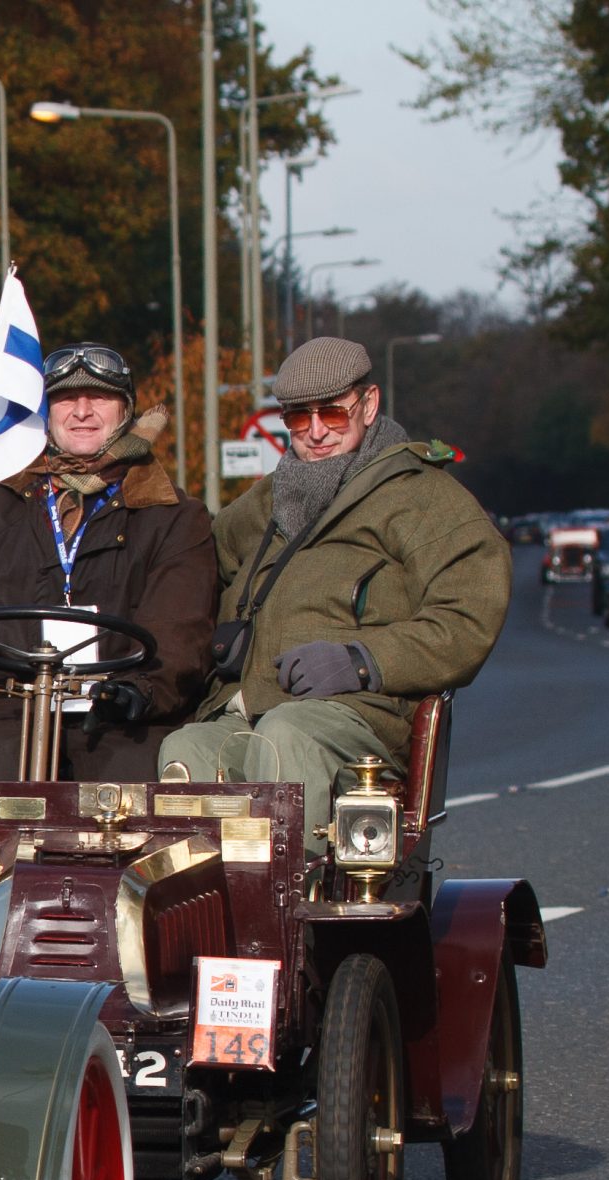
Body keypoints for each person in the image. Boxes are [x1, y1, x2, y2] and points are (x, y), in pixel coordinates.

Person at [158, 337, 511, 836]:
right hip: (250, 708)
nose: (317, 432)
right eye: (299, 419)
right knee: (187, 749)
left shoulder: (421, 497)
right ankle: (204, 909)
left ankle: (285, 905)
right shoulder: (262, 505)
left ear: (369, 405)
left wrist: (363, 659)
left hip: (362, 715)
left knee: (286, 738)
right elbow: (190, 570)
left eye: (334, 414)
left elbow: (468, 616)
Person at [0, 343, 216, 781]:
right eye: (65, 398)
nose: (81, 411)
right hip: (3, 708)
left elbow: (180, 630)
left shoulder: (174, 518)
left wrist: (139, 690)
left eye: (98, 397)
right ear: (46, 411)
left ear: (125, 410)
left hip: (117, 715)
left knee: (126, 789)